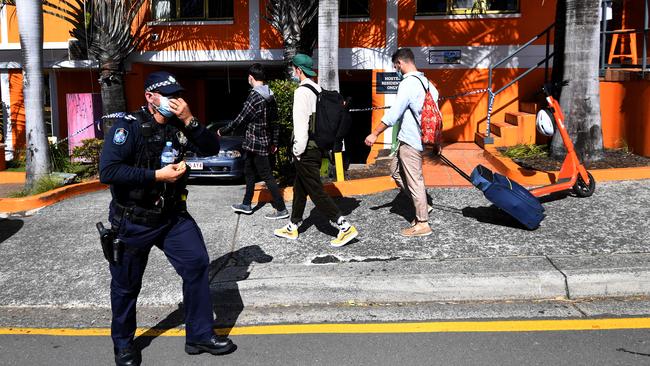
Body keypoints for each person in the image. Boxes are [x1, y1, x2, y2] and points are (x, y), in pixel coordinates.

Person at [99, 71, 235, 366]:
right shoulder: (128, 127)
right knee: (126, 285)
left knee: (197, 264)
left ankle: (199, 335)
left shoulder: (178, 126)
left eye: (178, 95)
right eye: (168, 95)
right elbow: (108, 172)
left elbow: (211, 147)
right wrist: (156, 176)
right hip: (133, 219)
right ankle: (123, 344)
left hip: (171, 216)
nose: (175, 100)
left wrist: (189, 119)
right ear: (150, 97)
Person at [273, 54, 359, 247]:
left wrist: (297, 151)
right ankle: (293, 225)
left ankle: (344, 226)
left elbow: (301, 126)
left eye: (294, 69)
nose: (294, 72)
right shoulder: (318, 89)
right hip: (318, 147)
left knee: (316, 190)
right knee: (300, 186)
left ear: (298, 70)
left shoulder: (301, 92)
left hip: (306, 150)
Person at [364, 48, 439, 237]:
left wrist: (375, 133)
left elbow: (393, 113)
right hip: (411, 139)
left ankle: (422, 223)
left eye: (395, 66)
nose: (396, 69)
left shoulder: (408, 84)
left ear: (400, 63)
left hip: (411, 140)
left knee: (415, 180)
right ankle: (422, 203)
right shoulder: (428, 83)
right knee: (395, 171)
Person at [218, 63, 288, 219]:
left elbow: (241, 119)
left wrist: (223, 131)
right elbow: (275, 122)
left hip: (256, 143)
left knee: (266, 175)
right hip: (261, 142)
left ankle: (281, 208)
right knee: (248, 172)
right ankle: (246, 204)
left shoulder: (255, 96)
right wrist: (274, 142)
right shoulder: (270, 94)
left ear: (251, 77)